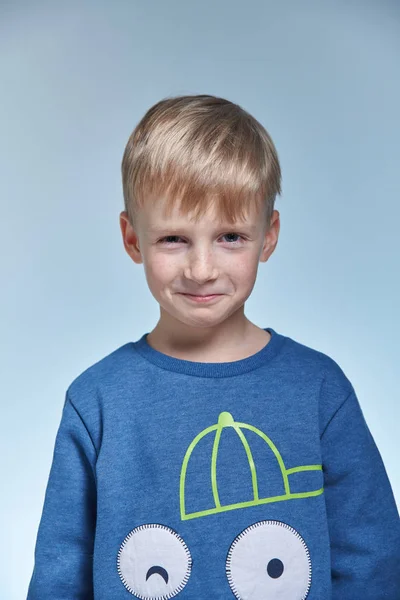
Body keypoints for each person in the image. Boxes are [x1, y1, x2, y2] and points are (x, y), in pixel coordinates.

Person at [26, 94, 400, 600]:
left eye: (230, 236)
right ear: (132, 239)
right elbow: (60, 574)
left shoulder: (317, 389)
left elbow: (372, 559)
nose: (201, 269)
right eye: (174, 239)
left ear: (268, 237)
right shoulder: (97, 399)